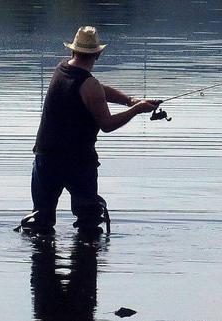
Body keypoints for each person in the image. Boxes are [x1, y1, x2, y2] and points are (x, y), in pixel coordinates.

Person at [19, 26, 159, 235]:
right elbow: (107, 124)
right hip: (77, 162)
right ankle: (85, 261)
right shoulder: (88, 84)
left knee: (41, 221)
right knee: (89, 221)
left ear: (73, 51)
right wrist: (136, 110)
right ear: (98, 54)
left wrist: (129, 100)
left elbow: (97, 90)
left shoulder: (62, 70)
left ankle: (42, 261)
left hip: (45, 157)